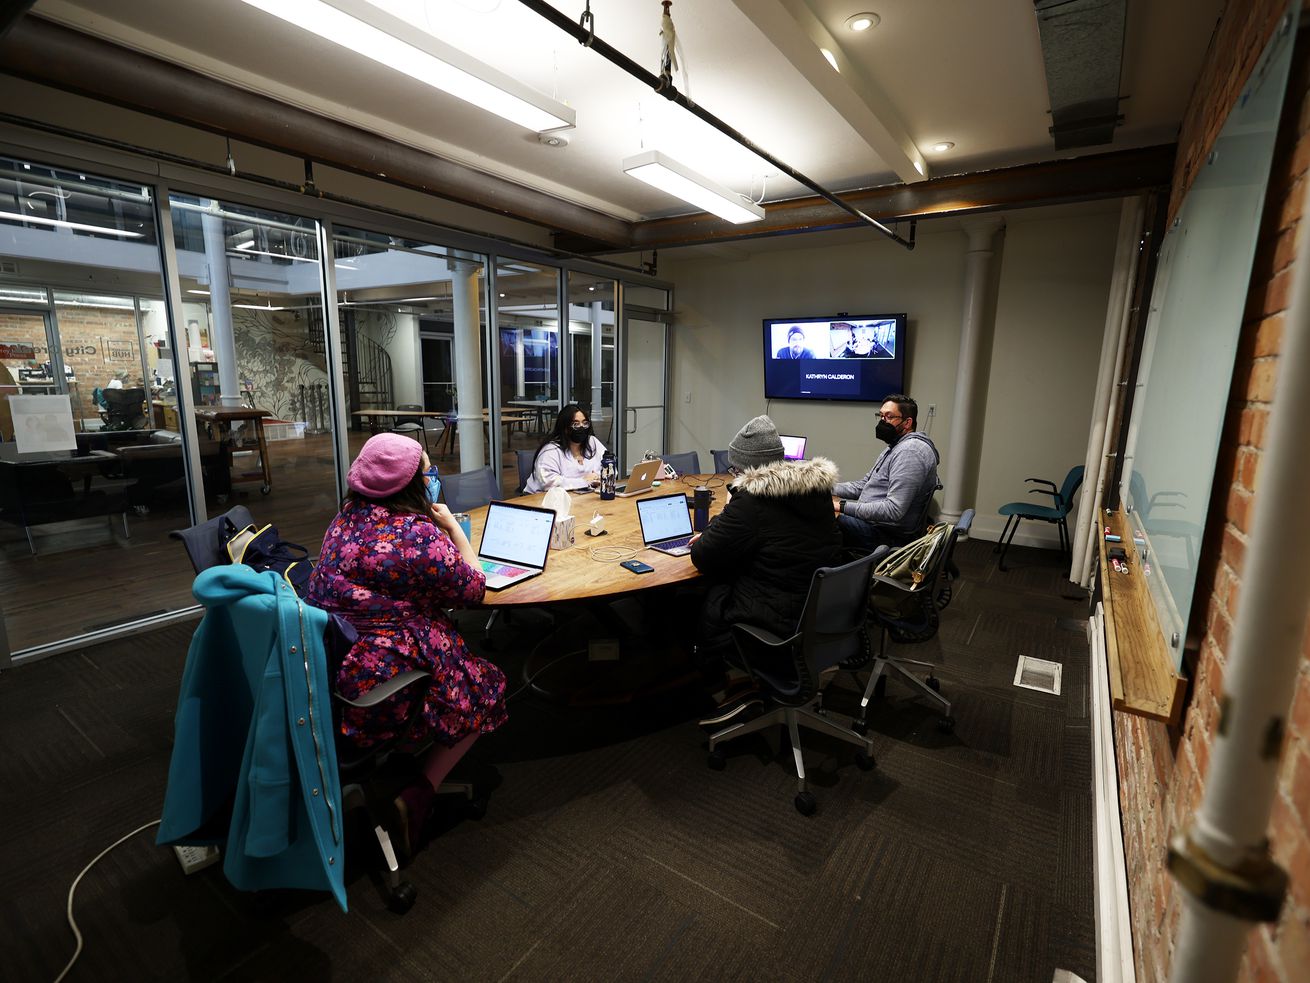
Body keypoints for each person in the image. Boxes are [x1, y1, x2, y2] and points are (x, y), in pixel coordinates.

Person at [306, 433, 506, 849]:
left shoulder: (343, 519)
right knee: (486, 686)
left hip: (330, 667)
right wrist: (453, 528)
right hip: (382, 684)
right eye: (429, 472)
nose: (434, 478)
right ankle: (419, 793)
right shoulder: (418, 534)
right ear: (412, 483)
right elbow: (474, 590)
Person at [689, 415, 842, 724]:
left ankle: (723, 685)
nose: (733, 476)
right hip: (816, 611)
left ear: (748, 469)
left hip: (775, 620)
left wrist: (726, 513)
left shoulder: (752, 502)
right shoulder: (817, 491)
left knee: (702, 594)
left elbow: (703, 556)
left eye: (734, 470)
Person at [833, 394, 940, 553]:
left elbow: (894, 510)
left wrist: (839, 506)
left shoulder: (910, 452)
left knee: (817, 517)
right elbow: (863, 486)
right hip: (873, 524)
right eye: (881, 416)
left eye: (889, 417)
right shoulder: (896, 446)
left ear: (907, 423)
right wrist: (824, 487)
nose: (883, 421)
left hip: (885, 534)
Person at [524, 403, 607, 492]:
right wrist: (584, 481)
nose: (581, 427)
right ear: (565, 428)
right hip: (543, 497)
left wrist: (597, 477)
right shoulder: (550, 450)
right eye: (576, 424)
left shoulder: (592, 442)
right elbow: (548, 483)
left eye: (585, 423)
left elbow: (609, 466)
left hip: (583, 495)